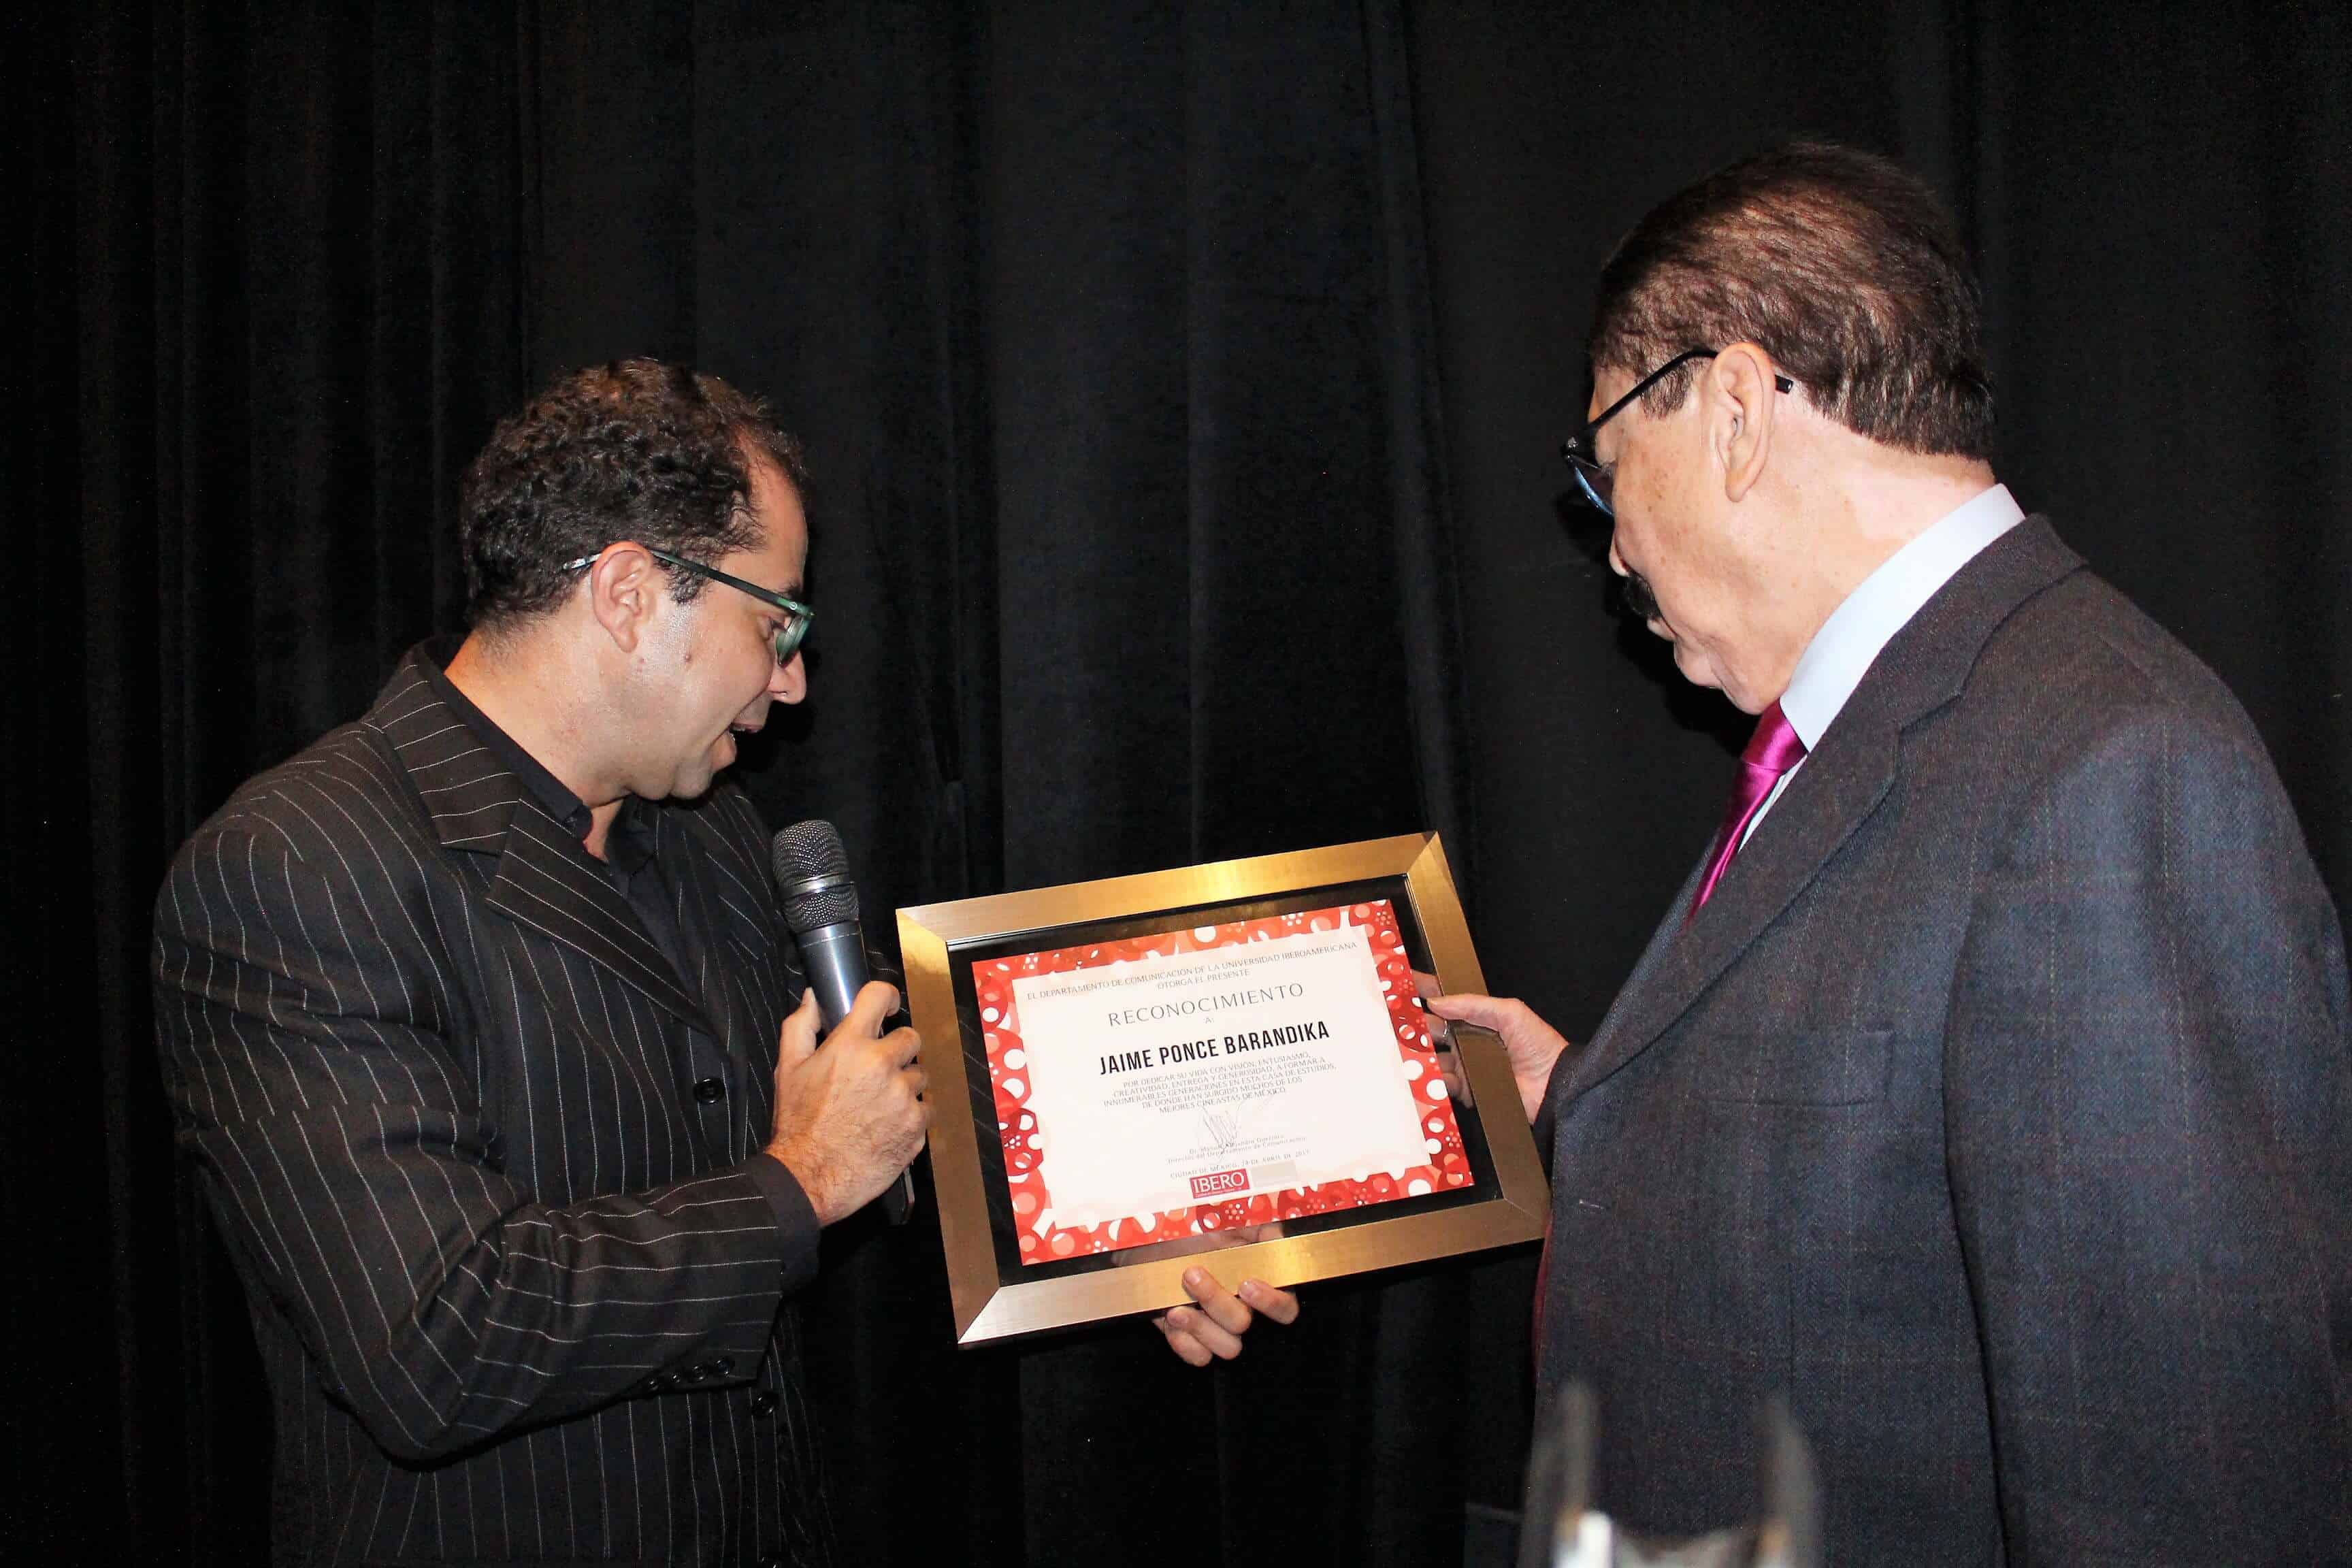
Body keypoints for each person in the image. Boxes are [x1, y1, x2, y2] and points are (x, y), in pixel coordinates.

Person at [150, 360, 1277, 1566]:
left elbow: (893, 1099)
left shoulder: (708, 832)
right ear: (631, 593)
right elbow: (437, 1341)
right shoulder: (296, 867)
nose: (792, 681)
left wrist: (1130, 1224)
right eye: (775, 621)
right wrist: (802, 1182)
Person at [1424, 144, 2351, 1561]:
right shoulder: (1893, 719)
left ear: (1737, 411)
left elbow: (2187, 1481)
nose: (1613, 552)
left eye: (1611, 473)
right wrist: (1587, 1097)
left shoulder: (2116, 772)